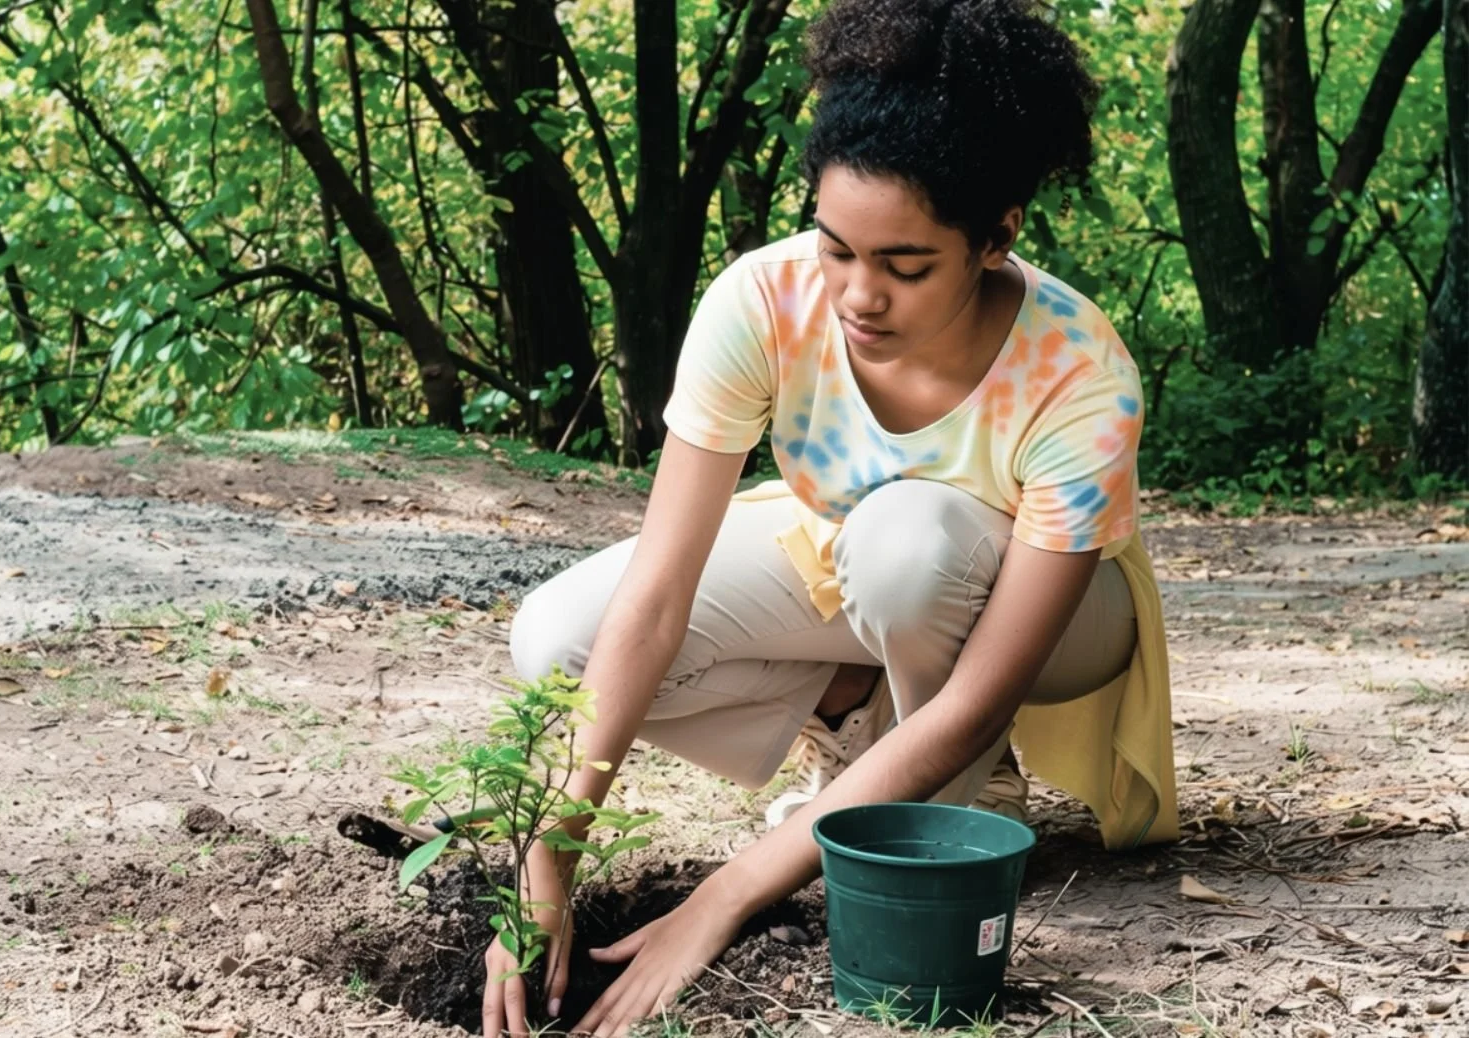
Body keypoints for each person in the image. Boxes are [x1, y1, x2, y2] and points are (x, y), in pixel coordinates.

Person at [485, 1, 1179, 1035]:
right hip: (837, 564)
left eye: (904, 266)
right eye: (836, 247)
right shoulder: (760, 301)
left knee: (910, 543)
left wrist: (719, 901)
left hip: (1059, 621)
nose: (858, 294)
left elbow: (981, 695)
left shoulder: (1078, 369)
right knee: (555, 641)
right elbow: (656, 597)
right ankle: (861, 727)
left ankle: (962, 798)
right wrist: (547, 855)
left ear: (995, 239)